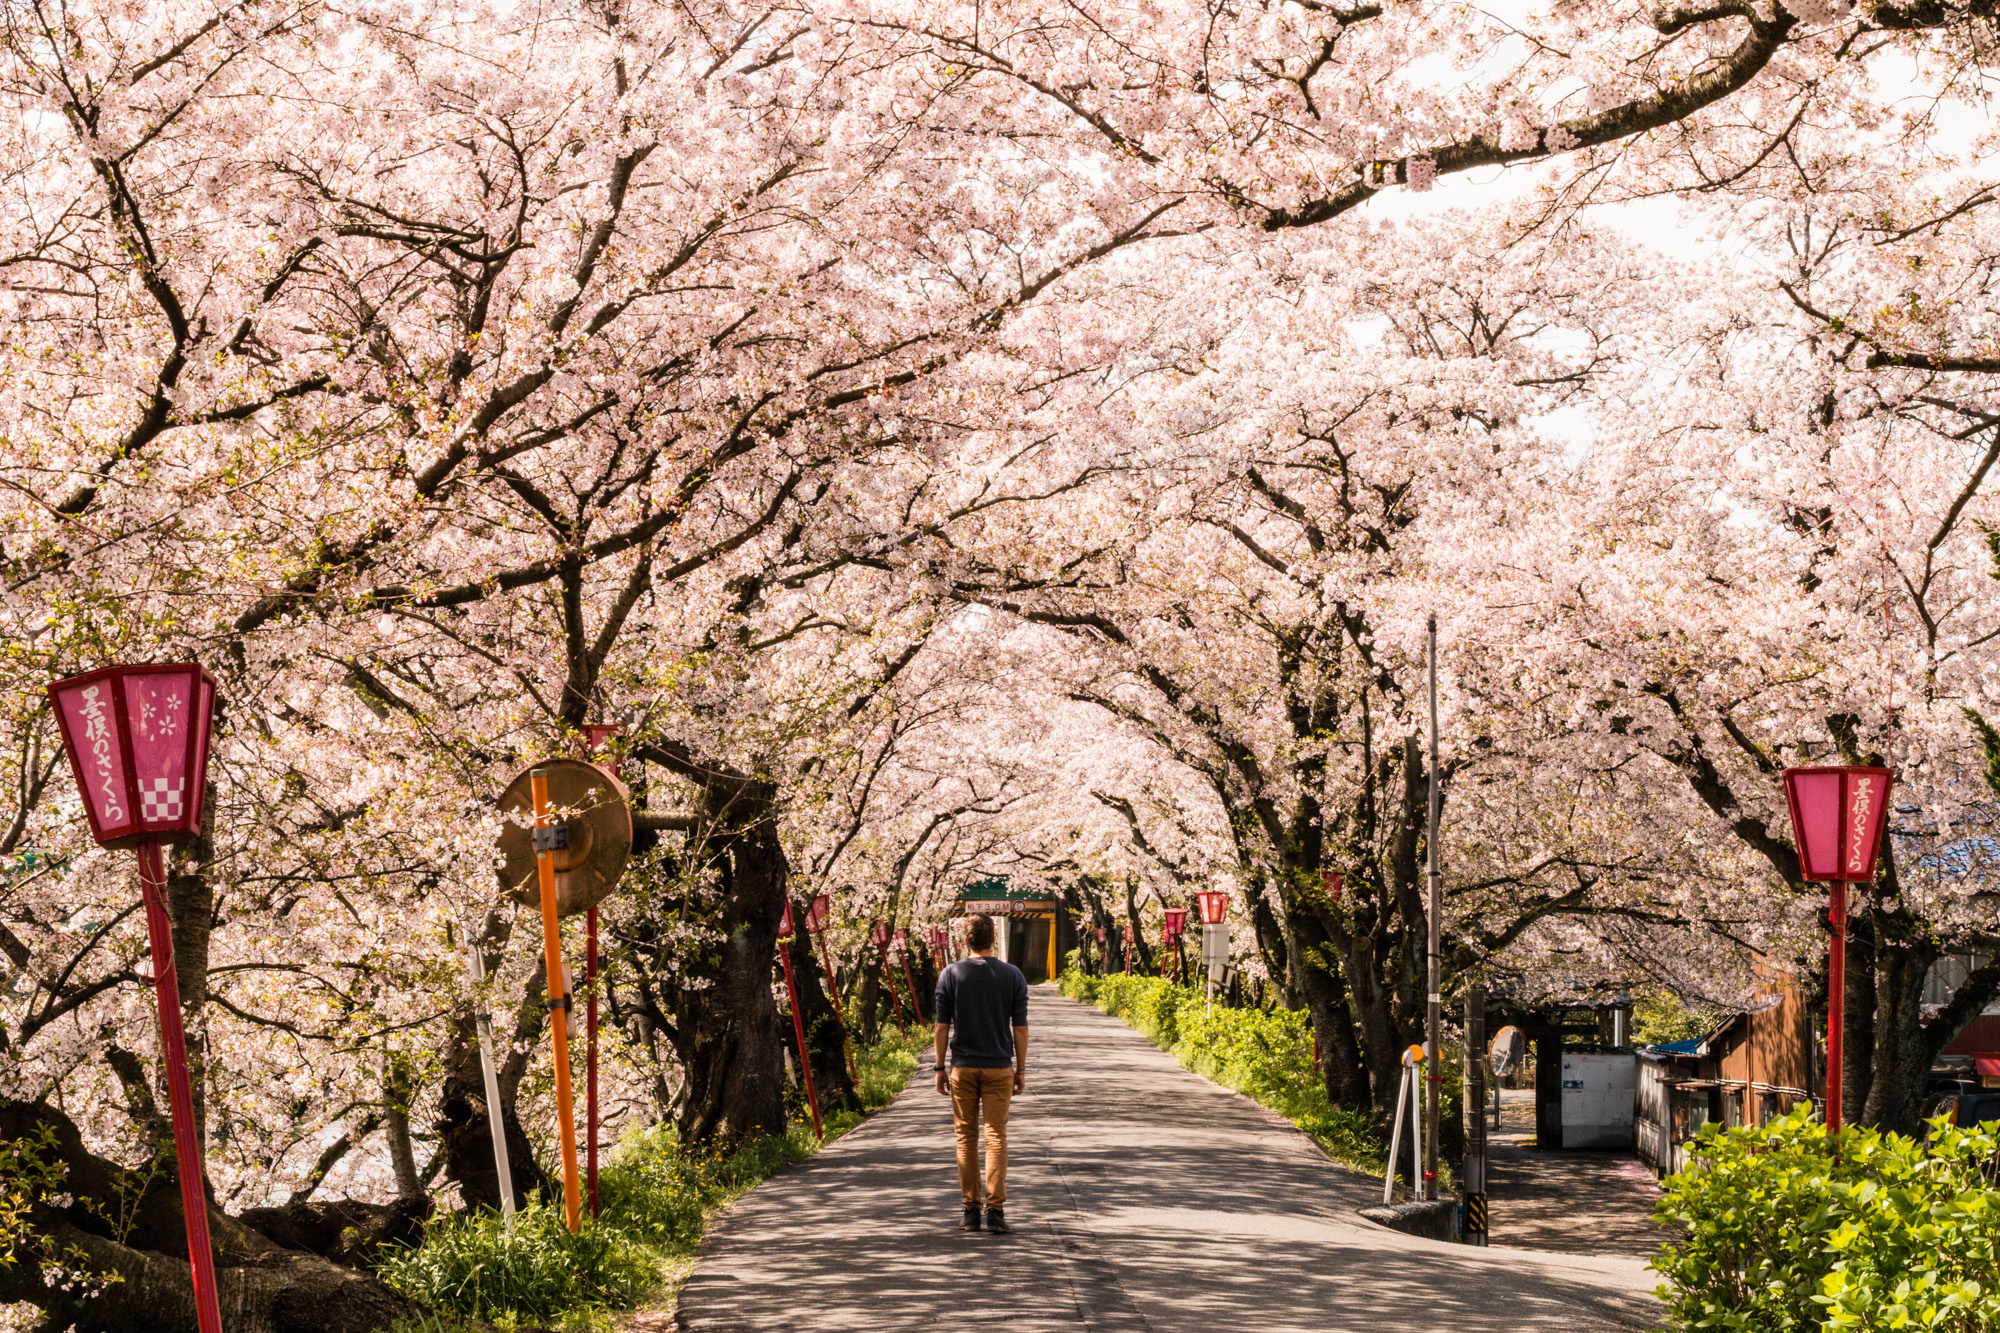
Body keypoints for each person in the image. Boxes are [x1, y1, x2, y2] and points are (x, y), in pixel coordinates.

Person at [933, 912, 1029, 1233]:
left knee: (966, 1138)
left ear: (966, 940)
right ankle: (996, 1211)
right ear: (993, 940)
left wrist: (939, 1068)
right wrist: (1021, 1069)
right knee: (996, 1137)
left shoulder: (950, 974)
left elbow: (941, 1027)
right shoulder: (1012, 975)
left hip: (962, 1066)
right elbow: (1021, 1027)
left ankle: (970, 1211)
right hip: (1000, 1066)